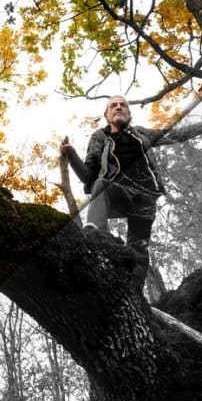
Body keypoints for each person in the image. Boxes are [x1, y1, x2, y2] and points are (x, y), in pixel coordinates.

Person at [60, 96, 167, 288]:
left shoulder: (141, 134)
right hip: (118, 194)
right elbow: (88, 176)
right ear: (107, 115)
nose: (118, 108)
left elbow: (175, 134)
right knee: (101, 184)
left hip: (145, 198)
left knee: (139, 249)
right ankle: (94, 234)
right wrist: (71, 154)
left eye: (123, 105)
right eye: (113, 106)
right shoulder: (100, 137)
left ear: (129, 113)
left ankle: (135, 292)